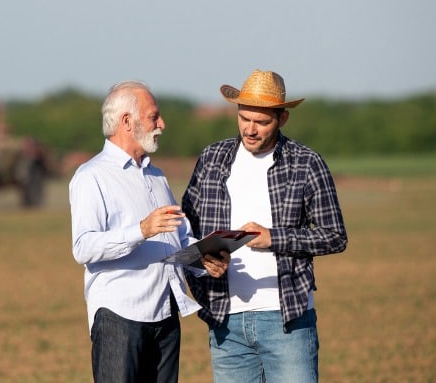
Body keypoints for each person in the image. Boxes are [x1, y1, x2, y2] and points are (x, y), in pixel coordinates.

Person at [182, 69, 348, 382]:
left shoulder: (307, 162)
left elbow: (335, 236)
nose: (251, 129)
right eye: (244, 118)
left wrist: (274, 238)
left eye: (262, 122)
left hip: (287, 320)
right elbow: (186, 229)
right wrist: (204, 261)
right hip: (225, 322)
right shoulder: (212, 158)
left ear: (282, 119)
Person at [69, 80, 228, 383]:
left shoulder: (156, 176)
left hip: (166, 314)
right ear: (127, 121)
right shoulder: (92, 176)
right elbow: (84, 247)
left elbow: (176, 242)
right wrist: (141, 230)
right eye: (154, 116)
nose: (162, 124)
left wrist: (204, 259)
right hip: (120, 317)